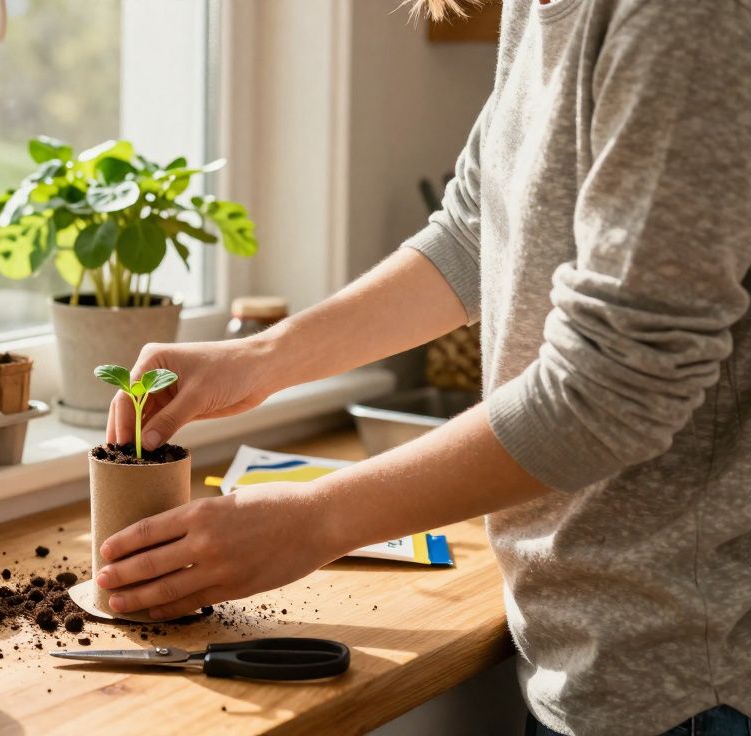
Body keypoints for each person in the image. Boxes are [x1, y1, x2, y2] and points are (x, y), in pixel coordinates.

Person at [95, 1, 751, 734]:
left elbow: (615, 384)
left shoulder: (682, 13)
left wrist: (313, 522)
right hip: (591, 647)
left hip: (695, 676)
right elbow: (478, 230)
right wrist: (258, 358)